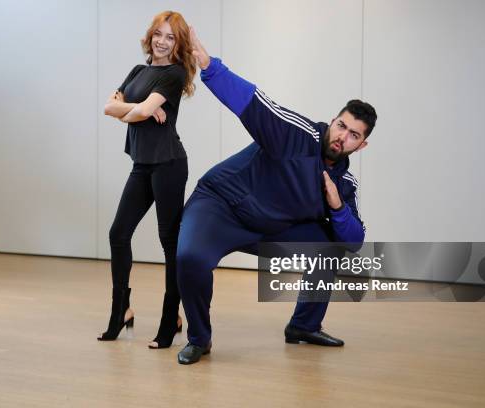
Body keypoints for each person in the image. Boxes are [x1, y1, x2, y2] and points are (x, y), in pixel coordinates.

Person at [175, 28, 377, 364]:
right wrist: (211, 67)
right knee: (191, 259)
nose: (343, 137)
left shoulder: (344, 183)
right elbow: (253, 103)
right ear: (333, 121)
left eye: (354, 134)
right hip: (221, 206)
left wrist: (337, 207)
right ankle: (199, 339)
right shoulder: (295, 135)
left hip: (269, 227)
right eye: (341, 126)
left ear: (362, 144)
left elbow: (355, 240)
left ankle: (303, 326)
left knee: (330, 246)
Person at [98, 11, 196, 349]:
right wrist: (140, 109)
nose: (163, 41)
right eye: (159, 34)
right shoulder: (138, 72)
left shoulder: (174, 74)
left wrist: (137, 109)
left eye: (171, 37)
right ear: (150, 35)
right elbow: (109, 107)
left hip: (169, 163)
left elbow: (130, 112)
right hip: (142, 164)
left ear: (178, 43)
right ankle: (120, 310)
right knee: (118, 233)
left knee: (170, 242)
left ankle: (171, 319)